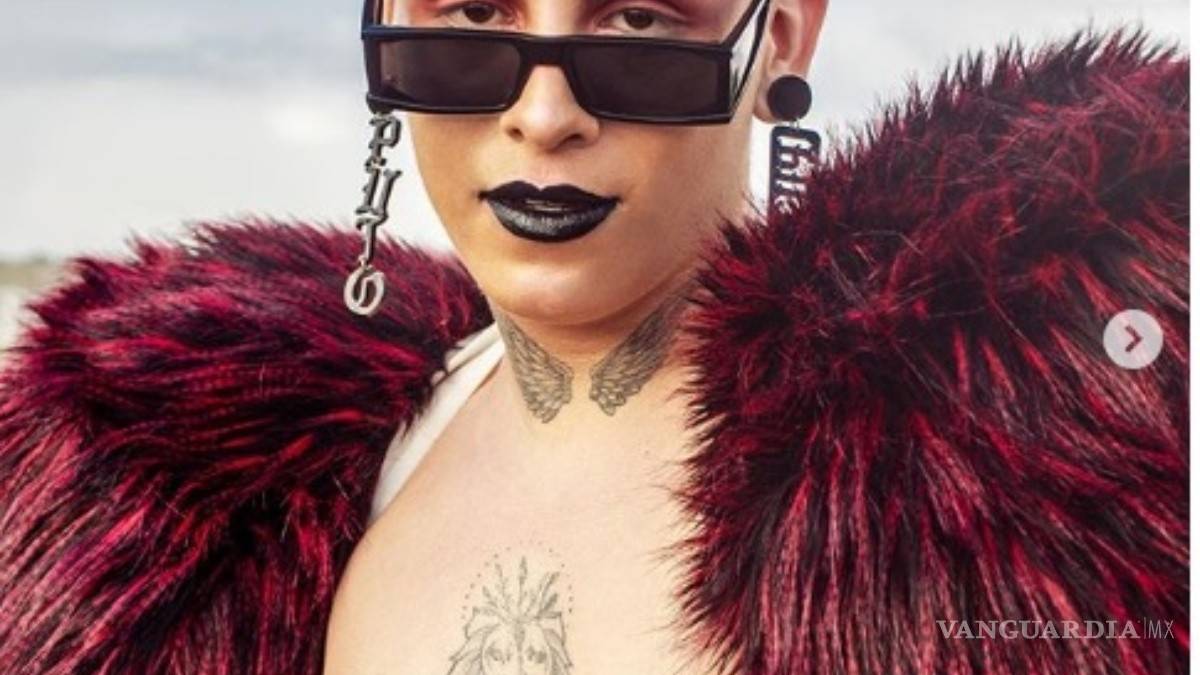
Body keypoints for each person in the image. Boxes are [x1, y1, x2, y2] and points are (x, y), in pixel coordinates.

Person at [0, 0, 1188, 672]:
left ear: (783, 37)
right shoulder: (206, 486)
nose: (545, 113)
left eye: (637, 21)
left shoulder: (1002, 478)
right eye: (472, 18)